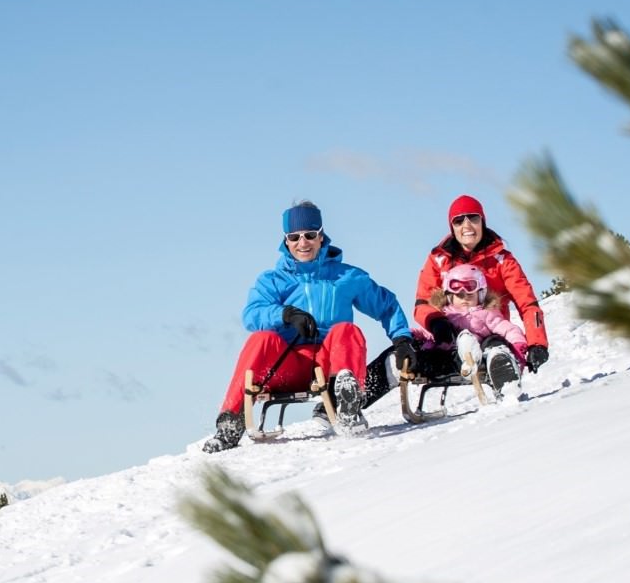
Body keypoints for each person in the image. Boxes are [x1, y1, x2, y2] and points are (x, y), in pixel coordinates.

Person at [203, 201, 415, 453]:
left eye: (309, 235)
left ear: (321, 236)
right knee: (260, 339)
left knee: (346, 330)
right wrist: (285, 314)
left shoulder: (345, 277)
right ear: (286, 240)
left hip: (330, 365)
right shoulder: (273, 280)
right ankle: (230, 423)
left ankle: (345, 402)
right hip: (288, 365)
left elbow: (386, 305)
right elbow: (251, 314)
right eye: (294, 237)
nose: (302, 243)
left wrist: (401, 339)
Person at [365, 193, 548, 404]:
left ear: (483, 221)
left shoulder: (501, 261)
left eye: (473, 218)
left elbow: (527, 303)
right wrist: (436, 322)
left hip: (486, 336)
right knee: (402, 351)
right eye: (459, 220)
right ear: (452, 226)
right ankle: (347, 401)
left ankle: (505, 379)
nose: (467, 225)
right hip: (447, 342)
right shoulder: (439, 259)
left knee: (496, 346)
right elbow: (423, 302)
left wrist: (537, 343)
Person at [408, 263, 530, 394]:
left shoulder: (487, 313)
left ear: (481, 295)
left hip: (480, 360)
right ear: (449, 296)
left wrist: (518, 345)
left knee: (494, 341)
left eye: (470, 295)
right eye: (459, 295)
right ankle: (410, 366)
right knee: (433, 350)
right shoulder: (444, 316)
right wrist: (412, 335)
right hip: (452, 360)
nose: (464, 299)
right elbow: (429, 335)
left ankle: (501, 365)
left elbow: (508, 329)